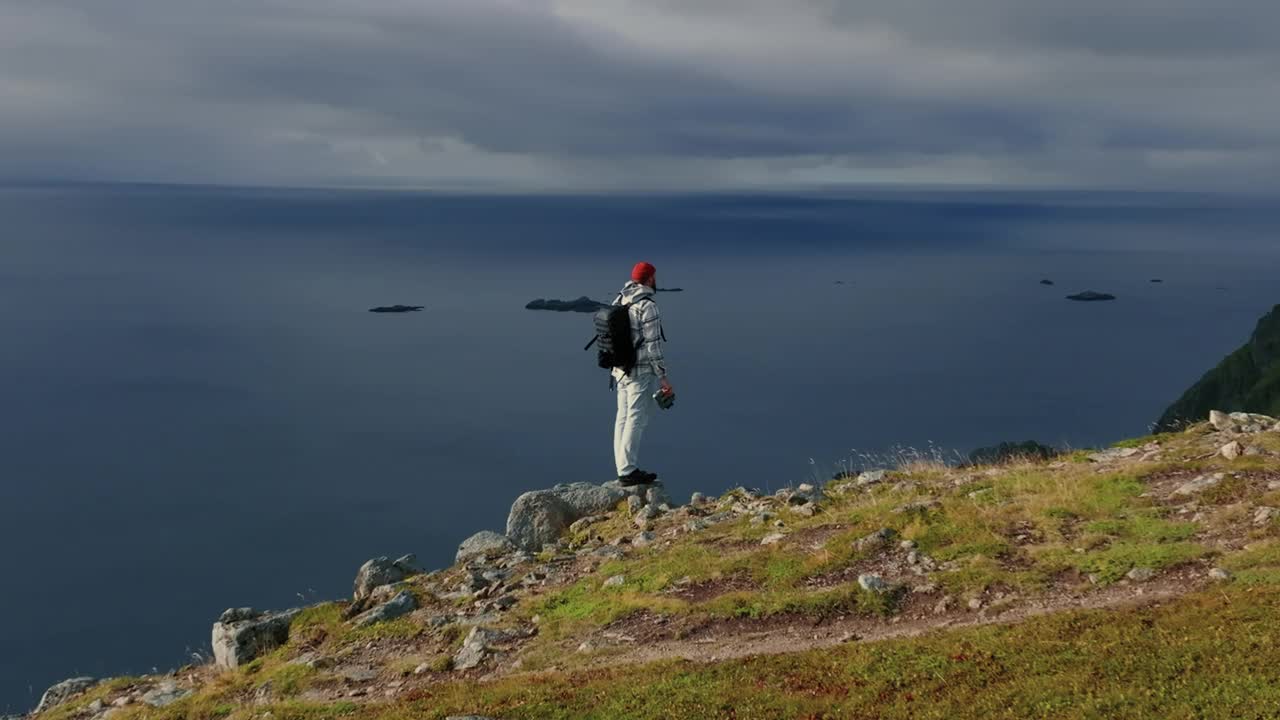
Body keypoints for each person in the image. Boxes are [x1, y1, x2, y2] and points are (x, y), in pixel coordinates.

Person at [613, 261, 674, 486]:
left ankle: (622, 466)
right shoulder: (647, 306)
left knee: (623, 416)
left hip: (619, 369)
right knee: (637, 418)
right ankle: (628, 471)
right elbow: (653, 345)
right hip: (639, 370)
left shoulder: (621, 299)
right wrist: (663, 376)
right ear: (649, 279)